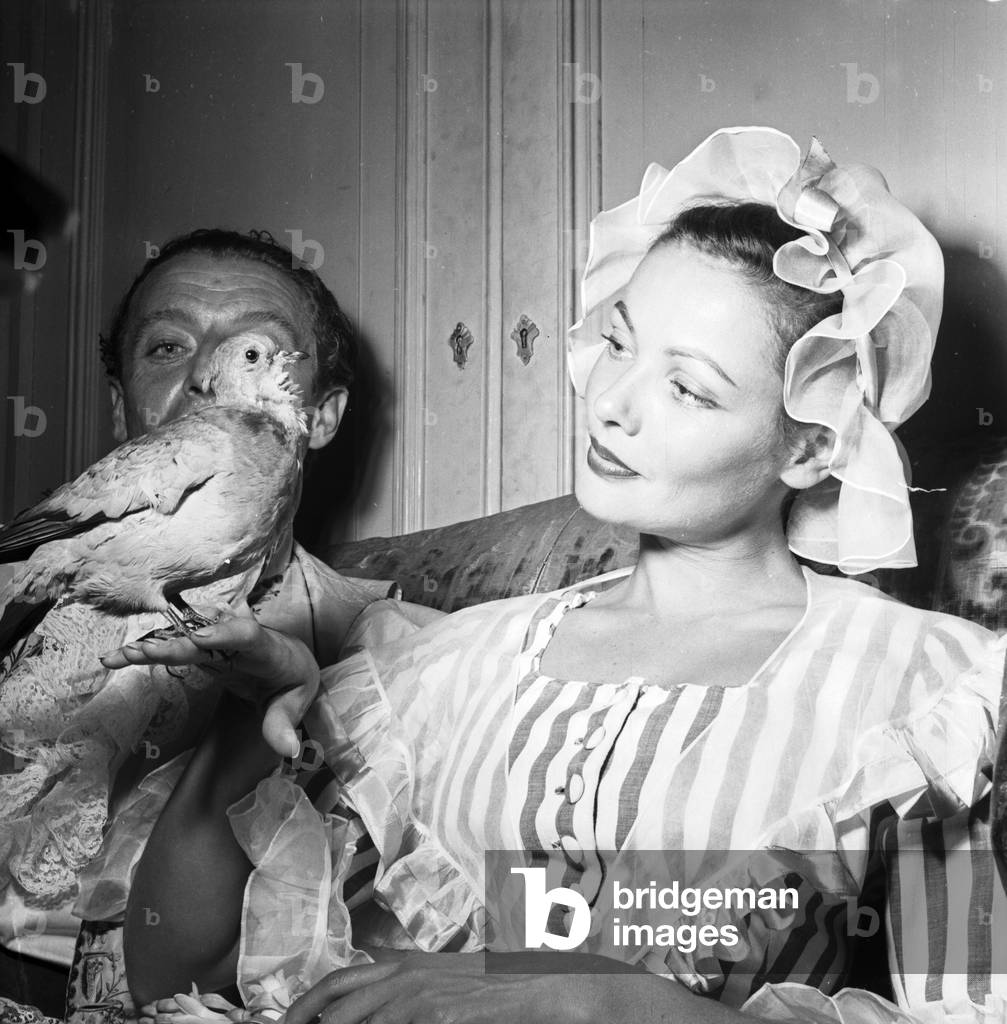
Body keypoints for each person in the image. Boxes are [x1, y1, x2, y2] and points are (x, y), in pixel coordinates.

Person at [108, 128, 1006, 1023]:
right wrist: (249, 719)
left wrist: (605, 997)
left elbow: (971, 1006)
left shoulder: (931, 692)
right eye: (616, 343)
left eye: (687, 388)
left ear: (809, 446)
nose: (609, 404)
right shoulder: (436, 669)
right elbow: (172, 967)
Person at [0, 228, 388, 1022]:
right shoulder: (34, 586)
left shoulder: (376, 657)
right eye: (168, 347)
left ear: (321, 414)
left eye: (254, 350)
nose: (208, 379)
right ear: (122, 406)